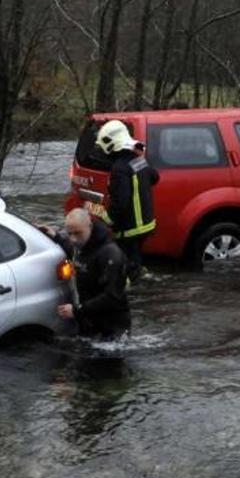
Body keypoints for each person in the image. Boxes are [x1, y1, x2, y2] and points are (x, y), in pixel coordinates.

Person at [39, 208, 131, 341]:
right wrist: (56, 236)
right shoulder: (81, 247)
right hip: (90, 321)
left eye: (77, 233)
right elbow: (73, 251)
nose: (73, 239)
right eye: (69, 234)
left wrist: (76, 311)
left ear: (90, 227)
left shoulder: (110, 254)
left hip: (112, 327)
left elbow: (112, 296)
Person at [96, 120, 159, 282]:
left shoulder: (119, 168)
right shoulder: (137, 159)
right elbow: (154, 177)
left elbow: (121, 203)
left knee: (123, 265)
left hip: (131, 229)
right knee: (134, 256)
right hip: (147, 223)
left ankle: (130, 287)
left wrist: (107, 219)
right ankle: (139, 273)